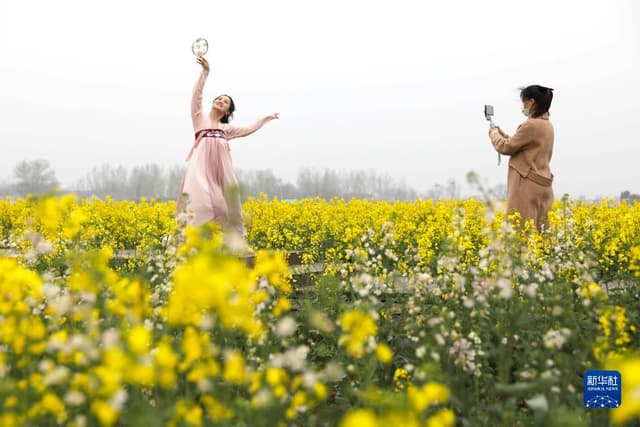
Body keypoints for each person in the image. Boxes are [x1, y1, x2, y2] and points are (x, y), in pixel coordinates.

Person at [176, 56, 279, 249]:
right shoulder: (199, 119)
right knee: (199, 203)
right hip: (200, 170)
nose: (221, 101)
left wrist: (266, 117)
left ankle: (234, 241)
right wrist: (205, 74)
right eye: (219, 99)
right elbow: (196, 97)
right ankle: (189, 240)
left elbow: (249, 128)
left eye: (225, 102)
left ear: (227, 111)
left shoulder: (226, 130)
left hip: (221, 171)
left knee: (228, 203)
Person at [489, 85, 555, 231]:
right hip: (543, 185)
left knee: (520, 232)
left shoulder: (530, 125)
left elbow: (506, 147)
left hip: (526, 185)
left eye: (523, 102)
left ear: (531, 102)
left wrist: (494, 134)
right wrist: (503, 134)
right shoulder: (547, 125)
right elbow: (524, 145)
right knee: (540, 233)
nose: (522, 106)